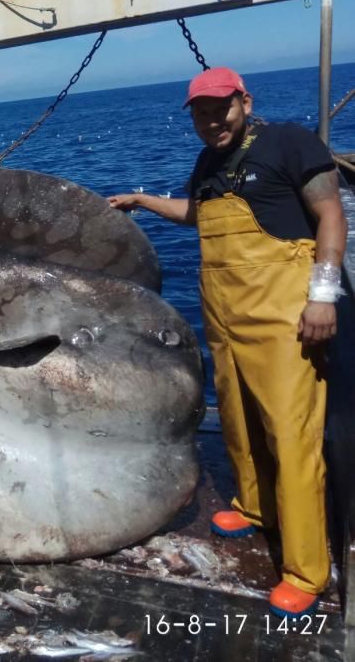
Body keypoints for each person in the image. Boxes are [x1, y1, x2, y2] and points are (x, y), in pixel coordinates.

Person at [108, 67, 348, 619]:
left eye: (222, 107)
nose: (213, 119)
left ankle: (307, 569)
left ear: (245, 101)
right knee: (240, 423)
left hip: (284, 317)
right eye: (201, 111)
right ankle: (255, 507)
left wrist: (324, 294)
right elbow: (199, 215)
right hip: (226, 317)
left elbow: (330, 214)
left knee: (291, 436)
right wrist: (142, 201)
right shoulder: (209, 162)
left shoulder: (290, 141)